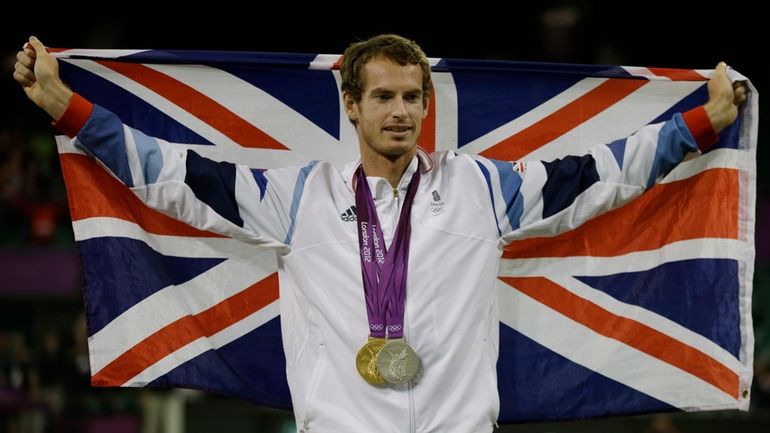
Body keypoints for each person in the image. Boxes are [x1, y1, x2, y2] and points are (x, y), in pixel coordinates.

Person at [14, 34, 747, 433]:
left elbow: (599, 175)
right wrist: (65, 107)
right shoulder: (297, 197)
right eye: (383, 97)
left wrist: (700, 123)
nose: (399, 111)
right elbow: (172, 173)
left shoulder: (481, 189)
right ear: (352, 106)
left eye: (411, 97)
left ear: (428, 104)